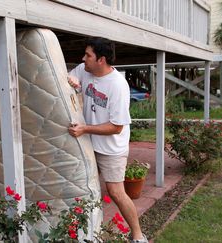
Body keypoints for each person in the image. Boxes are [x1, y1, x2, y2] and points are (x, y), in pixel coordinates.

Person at [67, 37, 148, 243]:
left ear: (101, 60)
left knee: (116, 192)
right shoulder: (84, 70)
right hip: (88, 142)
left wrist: (85, 128)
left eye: (88, 55)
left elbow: (116, 126)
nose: (83, 58)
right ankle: (90, 234)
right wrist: (71, 81)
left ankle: (138, 235)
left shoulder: (118, 85)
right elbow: (68, 78)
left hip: (112, 147)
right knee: (84, 188)